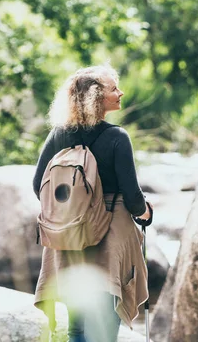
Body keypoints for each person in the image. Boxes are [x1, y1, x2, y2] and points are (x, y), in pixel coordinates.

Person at [33, 63, 152, 342]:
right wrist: (145, 211)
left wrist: (70, 211)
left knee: (76, 324)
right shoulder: (117, 138)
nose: (120, 93)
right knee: (105, 321)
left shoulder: (59, 135)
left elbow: (38, 184)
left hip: (70, 234)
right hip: (111, 231)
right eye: (114, 89)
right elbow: (132, 196)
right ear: (96, 98)